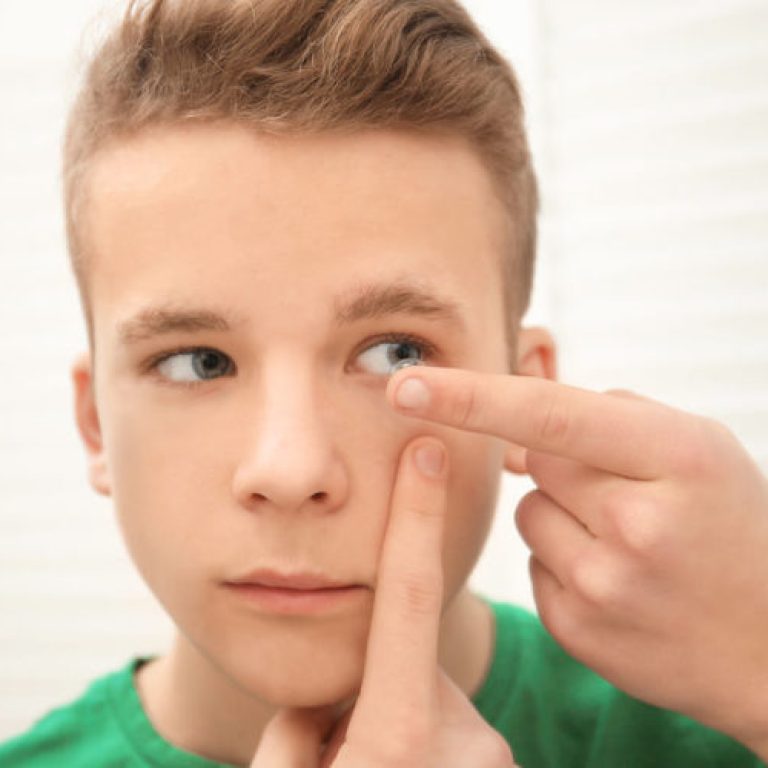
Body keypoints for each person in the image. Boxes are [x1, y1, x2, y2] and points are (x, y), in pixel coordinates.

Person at [1, 0, 767, 765]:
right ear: (95, 424)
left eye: (397, 352)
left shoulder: (724, 724)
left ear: (524, 402)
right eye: (198, 361)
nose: (291, 471)